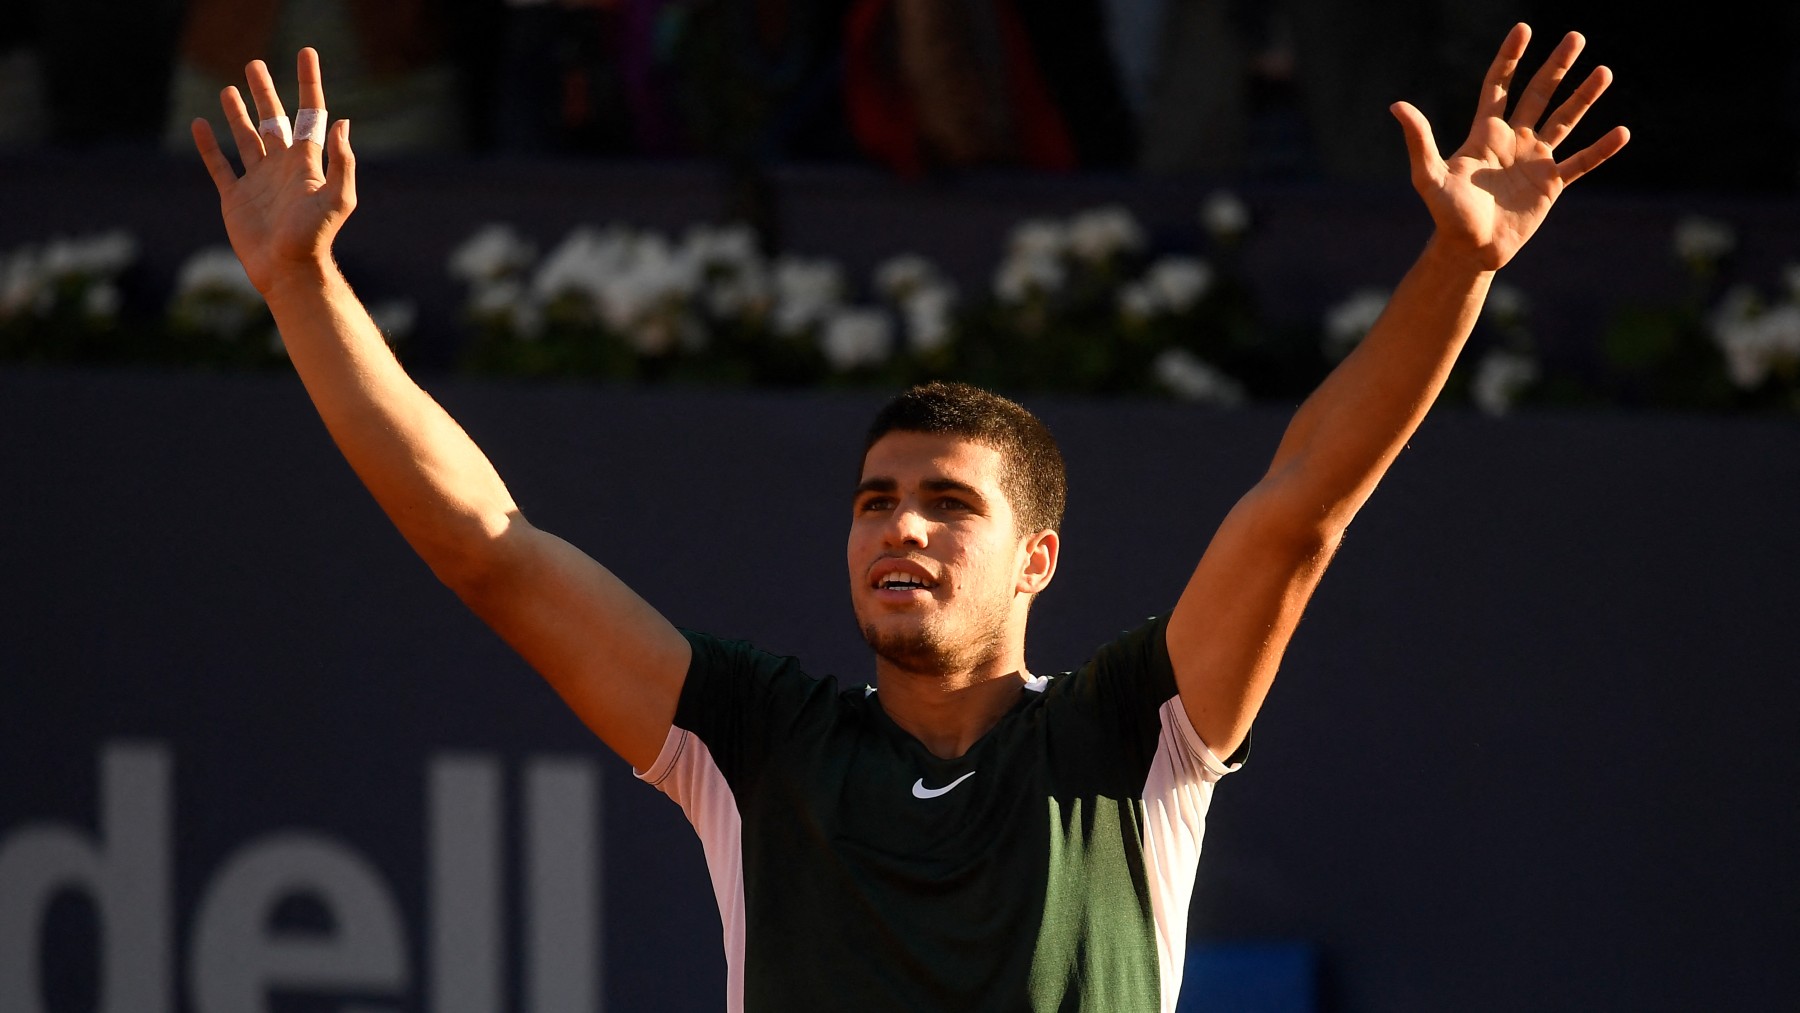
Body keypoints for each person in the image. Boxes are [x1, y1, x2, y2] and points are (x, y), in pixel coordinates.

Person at [189, 23, 1626, 1011]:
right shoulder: (752, 744)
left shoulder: (1138, 735)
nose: (904, 529)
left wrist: (1459, 266)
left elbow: (1302, 503)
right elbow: (488, 550)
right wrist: (304, 286)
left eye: (950, 504)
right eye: (878, 500)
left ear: (1037, 562)